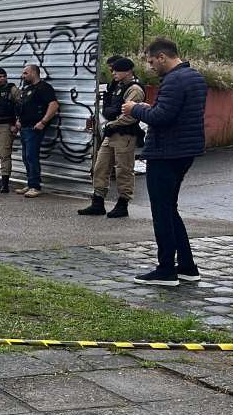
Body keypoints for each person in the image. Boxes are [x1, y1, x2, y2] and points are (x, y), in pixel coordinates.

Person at [123, 38, 207, 286]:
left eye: (151, 61)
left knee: (161, 211)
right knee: (170, 209)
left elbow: (162, 116)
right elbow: (173, 112)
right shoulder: (194, 77)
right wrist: (151, 107)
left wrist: (135, 108)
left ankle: (166, 270)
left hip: (167, 152)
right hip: (185, 151)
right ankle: (187, 267)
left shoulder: (174, 80)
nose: (150, 66)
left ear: (162, 57)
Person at [78, 57, 145, 218]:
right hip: (112, 133)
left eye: (116, 70)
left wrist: (111, 124)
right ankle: (98, 202)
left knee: (124, 170)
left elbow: (130, 115)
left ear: (128, 71)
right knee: (100, 167)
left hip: (124, 134)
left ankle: (123, 204)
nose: (113, 73)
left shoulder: (134, 89)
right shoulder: (116, 87)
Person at [13, 64, 59, 198]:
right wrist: (19, 120)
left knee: (31, 157)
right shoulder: (27, 89)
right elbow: (24, 107)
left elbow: (53, 105)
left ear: (34, 73)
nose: (23, 76)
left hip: (34, 128)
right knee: (25, 157)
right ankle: (30, 182)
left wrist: (43, 122)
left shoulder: (44, 87)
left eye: (25, 73)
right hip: (24, 128)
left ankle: (35, 186)